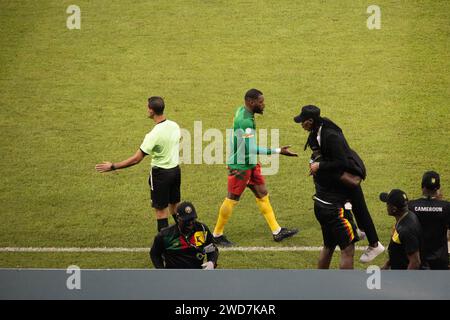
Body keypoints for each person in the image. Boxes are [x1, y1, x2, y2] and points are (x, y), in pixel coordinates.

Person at [294, 105, 384, 263]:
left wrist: (320, 166)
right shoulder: (316, 131)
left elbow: (341, 162)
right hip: (339, 172)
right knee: (357, 205)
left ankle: (375, 244)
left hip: (349, 171)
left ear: (310, 121)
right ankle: (364, 232)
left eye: (303, 121)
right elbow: (318, 154)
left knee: (360, 206)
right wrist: (314, 163)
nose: (301, 124)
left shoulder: (331, 135)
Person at [213, 89, 299, 246]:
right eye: (261, 102)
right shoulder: (245, 122)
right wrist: (279, 151)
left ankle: (276, 231)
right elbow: (251, 148)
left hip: (250, 163)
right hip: (240, 166)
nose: (263, 104)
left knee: (262, 193)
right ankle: (217, 234)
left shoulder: (242, 110)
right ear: (251, 102)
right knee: (232, 198)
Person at [95, 96, 181, 232]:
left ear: (152, 111)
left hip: (161, 175)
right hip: (175, 171)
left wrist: (113, 166)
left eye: (148, 107)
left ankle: (165, 246)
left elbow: (136, 159)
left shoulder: (153, 135)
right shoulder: (174, 125)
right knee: (175, 206)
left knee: (161, 211)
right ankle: (186, 235)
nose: (147, 110)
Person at [150, 201, 219, 269]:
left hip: (196, 274)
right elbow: (154, 254)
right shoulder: (165, 235)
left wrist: (212, 262)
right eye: (186, 221)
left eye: (192, 219)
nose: (190, 223)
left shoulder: (202, 229)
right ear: (177, 218)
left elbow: (212, 249)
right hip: (173, 275)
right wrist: (161, 271)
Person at [408, 171, 449, 270]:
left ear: (422, 186)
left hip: (417, 260)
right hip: (440, 261)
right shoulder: (447, 207)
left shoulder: (411, 206)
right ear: (438, 188)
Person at [380, 189, 422, 270]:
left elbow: (415, 262)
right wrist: (387, 264)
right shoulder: (406, 216)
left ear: (394, 209)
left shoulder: (407, 230)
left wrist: (404, 281)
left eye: (387, 204)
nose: (386, 206)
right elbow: (399, 249)